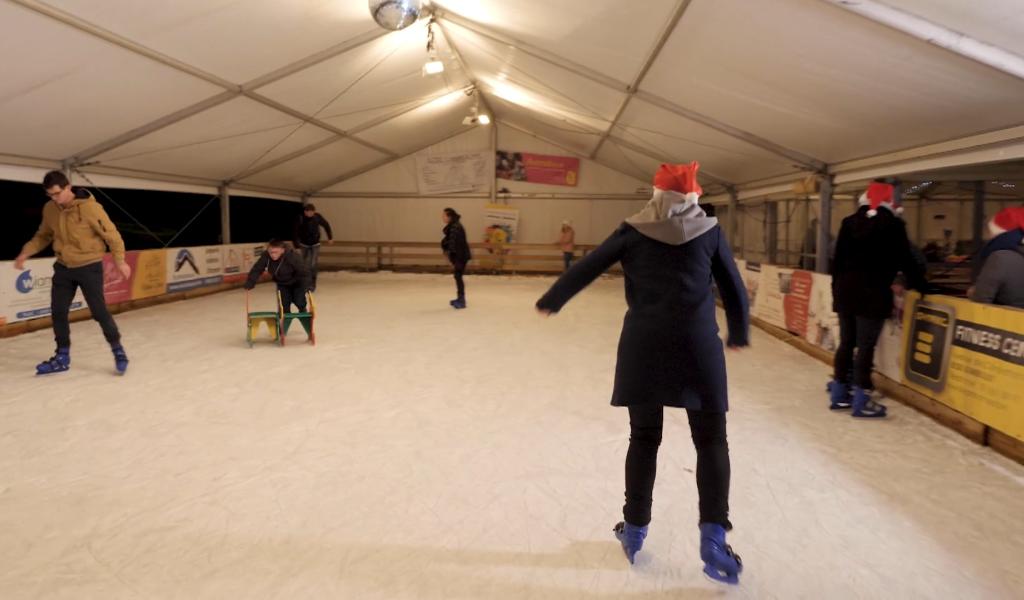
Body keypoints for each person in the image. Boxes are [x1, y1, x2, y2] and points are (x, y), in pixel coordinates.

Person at [536, 162, 749, 584]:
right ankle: (712, 538)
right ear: (692, 196)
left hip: (643, 348)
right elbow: (733, 288)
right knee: (710, 440)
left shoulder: (633, 230)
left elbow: (589, 265)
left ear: (655, 195)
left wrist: (554, 298)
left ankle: (633, 531)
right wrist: (738, 330)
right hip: (698, 348)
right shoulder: (710, 231)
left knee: (644, 438)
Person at [15, 171, 131, 375]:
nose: (54, 198)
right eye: (50, 195)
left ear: (68, 187)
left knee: (99, 312)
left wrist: (120, 261)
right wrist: (26, 251)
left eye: (57, 193)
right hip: (63, 267)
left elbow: (112, 235)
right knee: (58, 312)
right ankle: (62, 356)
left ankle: (118, 350)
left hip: (89, 266)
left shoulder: (90, 209)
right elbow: (43, 236)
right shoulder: (50, 208)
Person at [829, 182, 926, 417]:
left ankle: (840, 393)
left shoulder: (848, 222)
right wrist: (920, 285)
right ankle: (862, 397)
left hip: (845, 292)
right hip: (872, 294)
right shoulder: (893, 225)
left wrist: (836, 290)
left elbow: (837, 260)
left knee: (846, 343)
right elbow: (907, 260)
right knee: (865, 346)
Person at [970, 206, 1024, 308]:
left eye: (991, 233)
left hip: (1008, 321)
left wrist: (972, 292)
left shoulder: (1000, 258)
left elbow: (981, 300)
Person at [243, 240, 312, 313]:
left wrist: (306, 285)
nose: (273, 255)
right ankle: (284, 321)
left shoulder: (293, 256)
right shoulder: (266, 256)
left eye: (275, 252)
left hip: (297, 282)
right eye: (271, 252)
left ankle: (302, 309)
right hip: (282, 283)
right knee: (283, 306)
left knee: (299, 301)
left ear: (282, 250)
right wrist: (250, 282)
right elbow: (257, 269)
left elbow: (304, 272)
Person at [293, 203, 333, 291]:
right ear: (305, 212)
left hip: (315, 244)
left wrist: (330, 237)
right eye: (309, 212)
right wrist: (296, 246)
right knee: (303, 264)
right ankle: (302, 283)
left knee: (313, 264)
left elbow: (326, 225)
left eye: (312, 212)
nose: (311, 214)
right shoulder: (300, 218)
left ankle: (312, 284)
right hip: (304, 244)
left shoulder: (317, 217)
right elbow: (295, 232)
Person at [441, 208, 472, 309]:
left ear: (449, 216)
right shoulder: (453, 226)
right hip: (459, 255)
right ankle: (460, 298)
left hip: (460, 256)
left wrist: (453, 256)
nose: (443, 217)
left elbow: (454, 244)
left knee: (458, 276)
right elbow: (449, 241)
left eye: (444, 215)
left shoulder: (455, 227)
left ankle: (461, 300)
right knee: (457, 276)